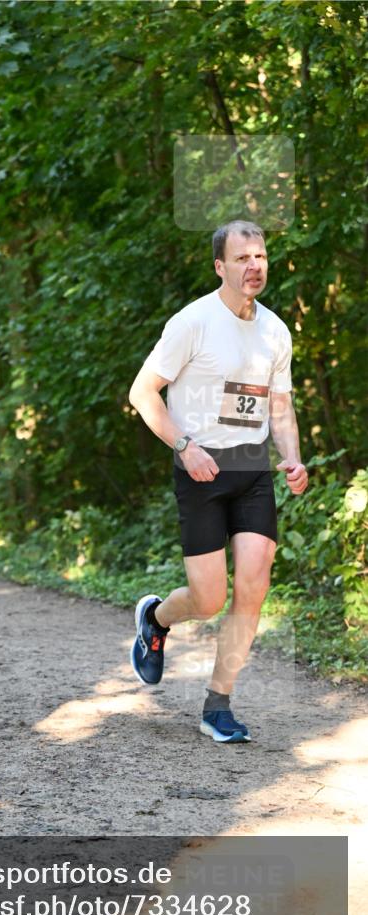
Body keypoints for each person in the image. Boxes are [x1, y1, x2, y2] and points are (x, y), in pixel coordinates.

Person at [128, 220, 308, 743]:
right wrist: (185, 446)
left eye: (261, 256)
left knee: (253, 584)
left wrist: (292, 459)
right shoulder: (192, 322)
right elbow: (144, 394)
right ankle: (157, 620)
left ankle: (217, 704)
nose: (255, 266)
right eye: (243, 258)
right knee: (208, 600)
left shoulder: (275, 330)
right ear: (220, 267)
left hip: (252, 470)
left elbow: (279, 407)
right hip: (200, 470)